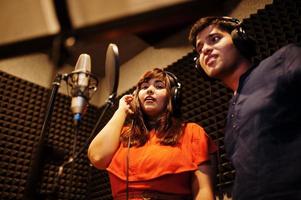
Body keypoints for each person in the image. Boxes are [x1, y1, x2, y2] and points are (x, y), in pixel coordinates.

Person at [188, 16, 301, 199]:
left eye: (214, 39)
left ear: (239, 39)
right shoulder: (231, 112)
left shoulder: (282, 62)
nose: (206, 50)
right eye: (199, 49)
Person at [88, 68, 217, 200]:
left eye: (159, 86)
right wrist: (121, 111)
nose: (149, 90)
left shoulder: (192, 132)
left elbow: (204, 191)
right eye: (144, 87)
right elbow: (98, 157)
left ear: (173, 95)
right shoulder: (123, 135)